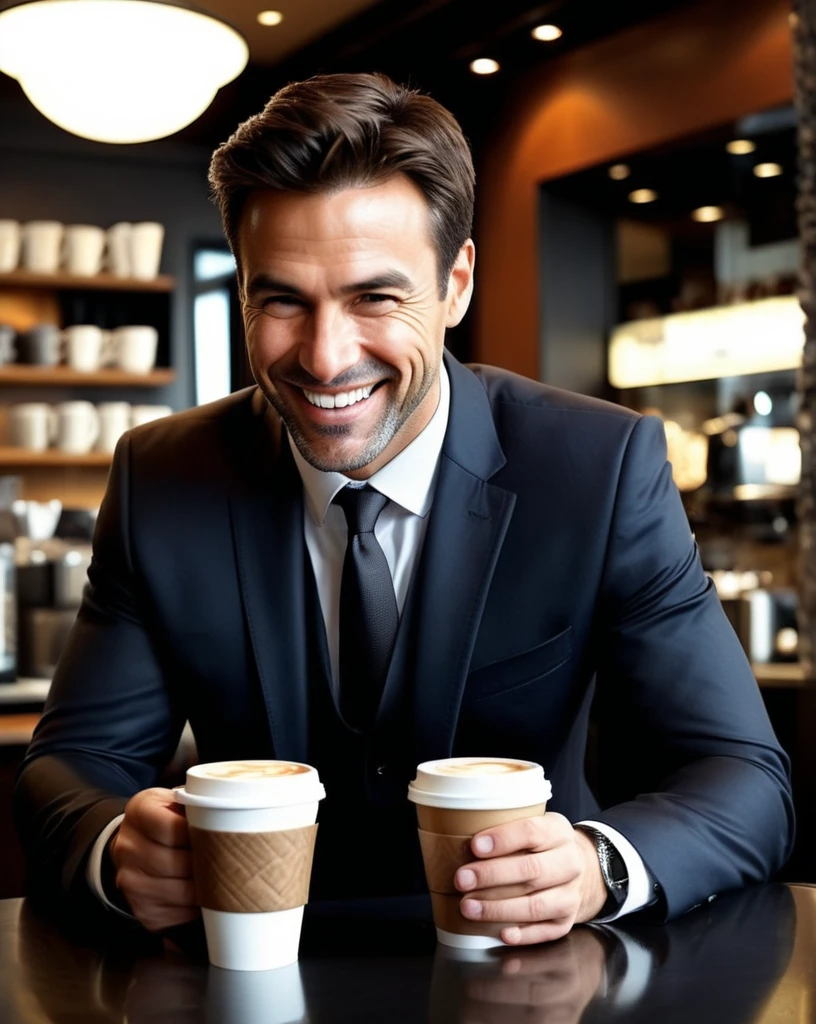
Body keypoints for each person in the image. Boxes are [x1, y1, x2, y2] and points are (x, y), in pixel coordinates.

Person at [14, 72, 793, 946]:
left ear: (455, 284)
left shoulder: (598, 468)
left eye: (374, 297)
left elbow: (744, 776)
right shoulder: (163, 478)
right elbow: (70, 768)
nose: (324, 355)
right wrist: (117, 845)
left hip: (538, 980)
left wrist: (595, 868)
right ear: (242, 291)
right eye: (281, 300)